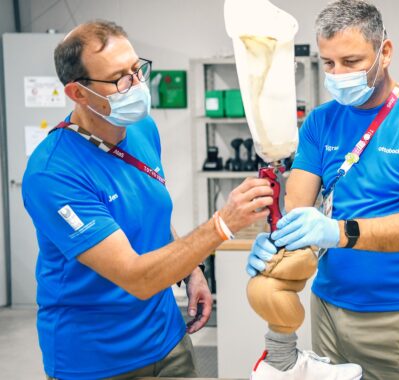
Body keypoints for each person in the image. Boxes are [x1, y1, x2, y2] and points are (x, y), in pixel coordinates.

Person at [22, 20, 274, 380]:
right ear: (78, 93)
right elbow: (136, 278)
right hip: (96, 359)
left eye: (137, 69)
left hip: (167, 339)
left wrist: (191, 270)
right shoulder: (53, 173)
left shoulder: (141, 128)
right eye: (120, 79)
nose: (137, 86)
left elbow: (150, 209)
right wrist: (222, 224)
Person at [247, 1, 399, 379]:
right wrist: (276, 241)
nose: (338, 74)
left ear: (386, 52)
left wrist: (339, 232)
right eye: (328, 63)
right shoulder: (320, 122)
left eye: (351, 61)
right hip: (328, 308)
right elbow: (298, 208)